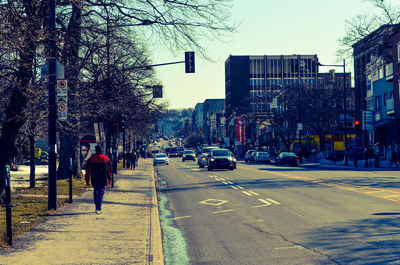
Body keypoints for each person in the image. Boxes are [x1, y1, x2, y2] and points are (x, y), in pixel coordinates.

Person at [85, 145, 113, 214]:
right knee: (101, 193)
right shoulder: (106, 159)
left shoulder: (91, 159)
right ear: (101, 150)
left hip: (94, 178)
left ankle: (97, 204)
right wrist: (110, 179)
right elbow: (110, 170)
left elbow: (88, 171)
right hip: (103, 179)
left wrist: (87, 180)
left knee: (96, 191)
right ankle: (98, 208)